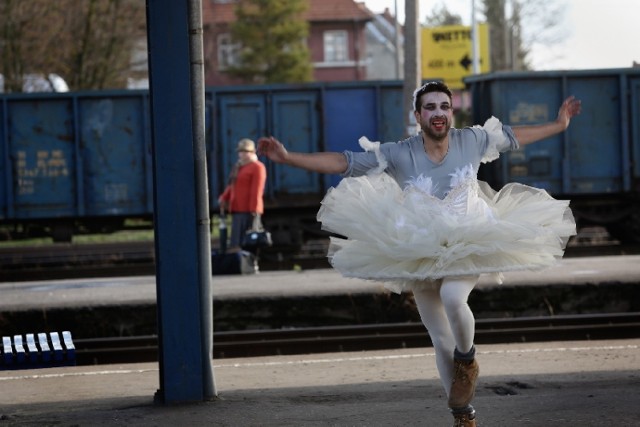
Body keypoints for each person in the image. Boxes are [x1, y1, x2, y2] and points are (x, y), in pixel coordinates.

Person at [258, 81, 581, 427]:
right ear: (418, 115)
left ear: (451, 112)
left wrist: (559, 125)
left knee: (454, 297)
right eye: (430, 107)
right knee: (439, 337)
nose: (438, 113)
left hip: (469, 238)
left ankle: (468, 360)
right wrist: (288, 157)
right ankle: (463, 415)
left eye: (444, 106)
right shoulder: (399, 153)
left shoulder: (471, 140)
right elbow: (343, 162)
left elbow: (516, 136)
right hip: (418, 247)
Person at [218, 138, 267, 253]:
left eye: (246, 152)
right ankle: (240, 263)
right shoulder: (239, 167)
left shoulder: (258, 167)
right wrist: (224, 197)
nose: (243, 154)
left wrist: (254, 211)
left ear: (253, 152)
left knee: (249, 240)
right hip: (238, 209)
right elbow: (232, 185)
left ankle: (251, 263)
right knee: (237, 240)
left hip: (250, 210)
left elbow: (257, 190)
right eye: (241, 151)